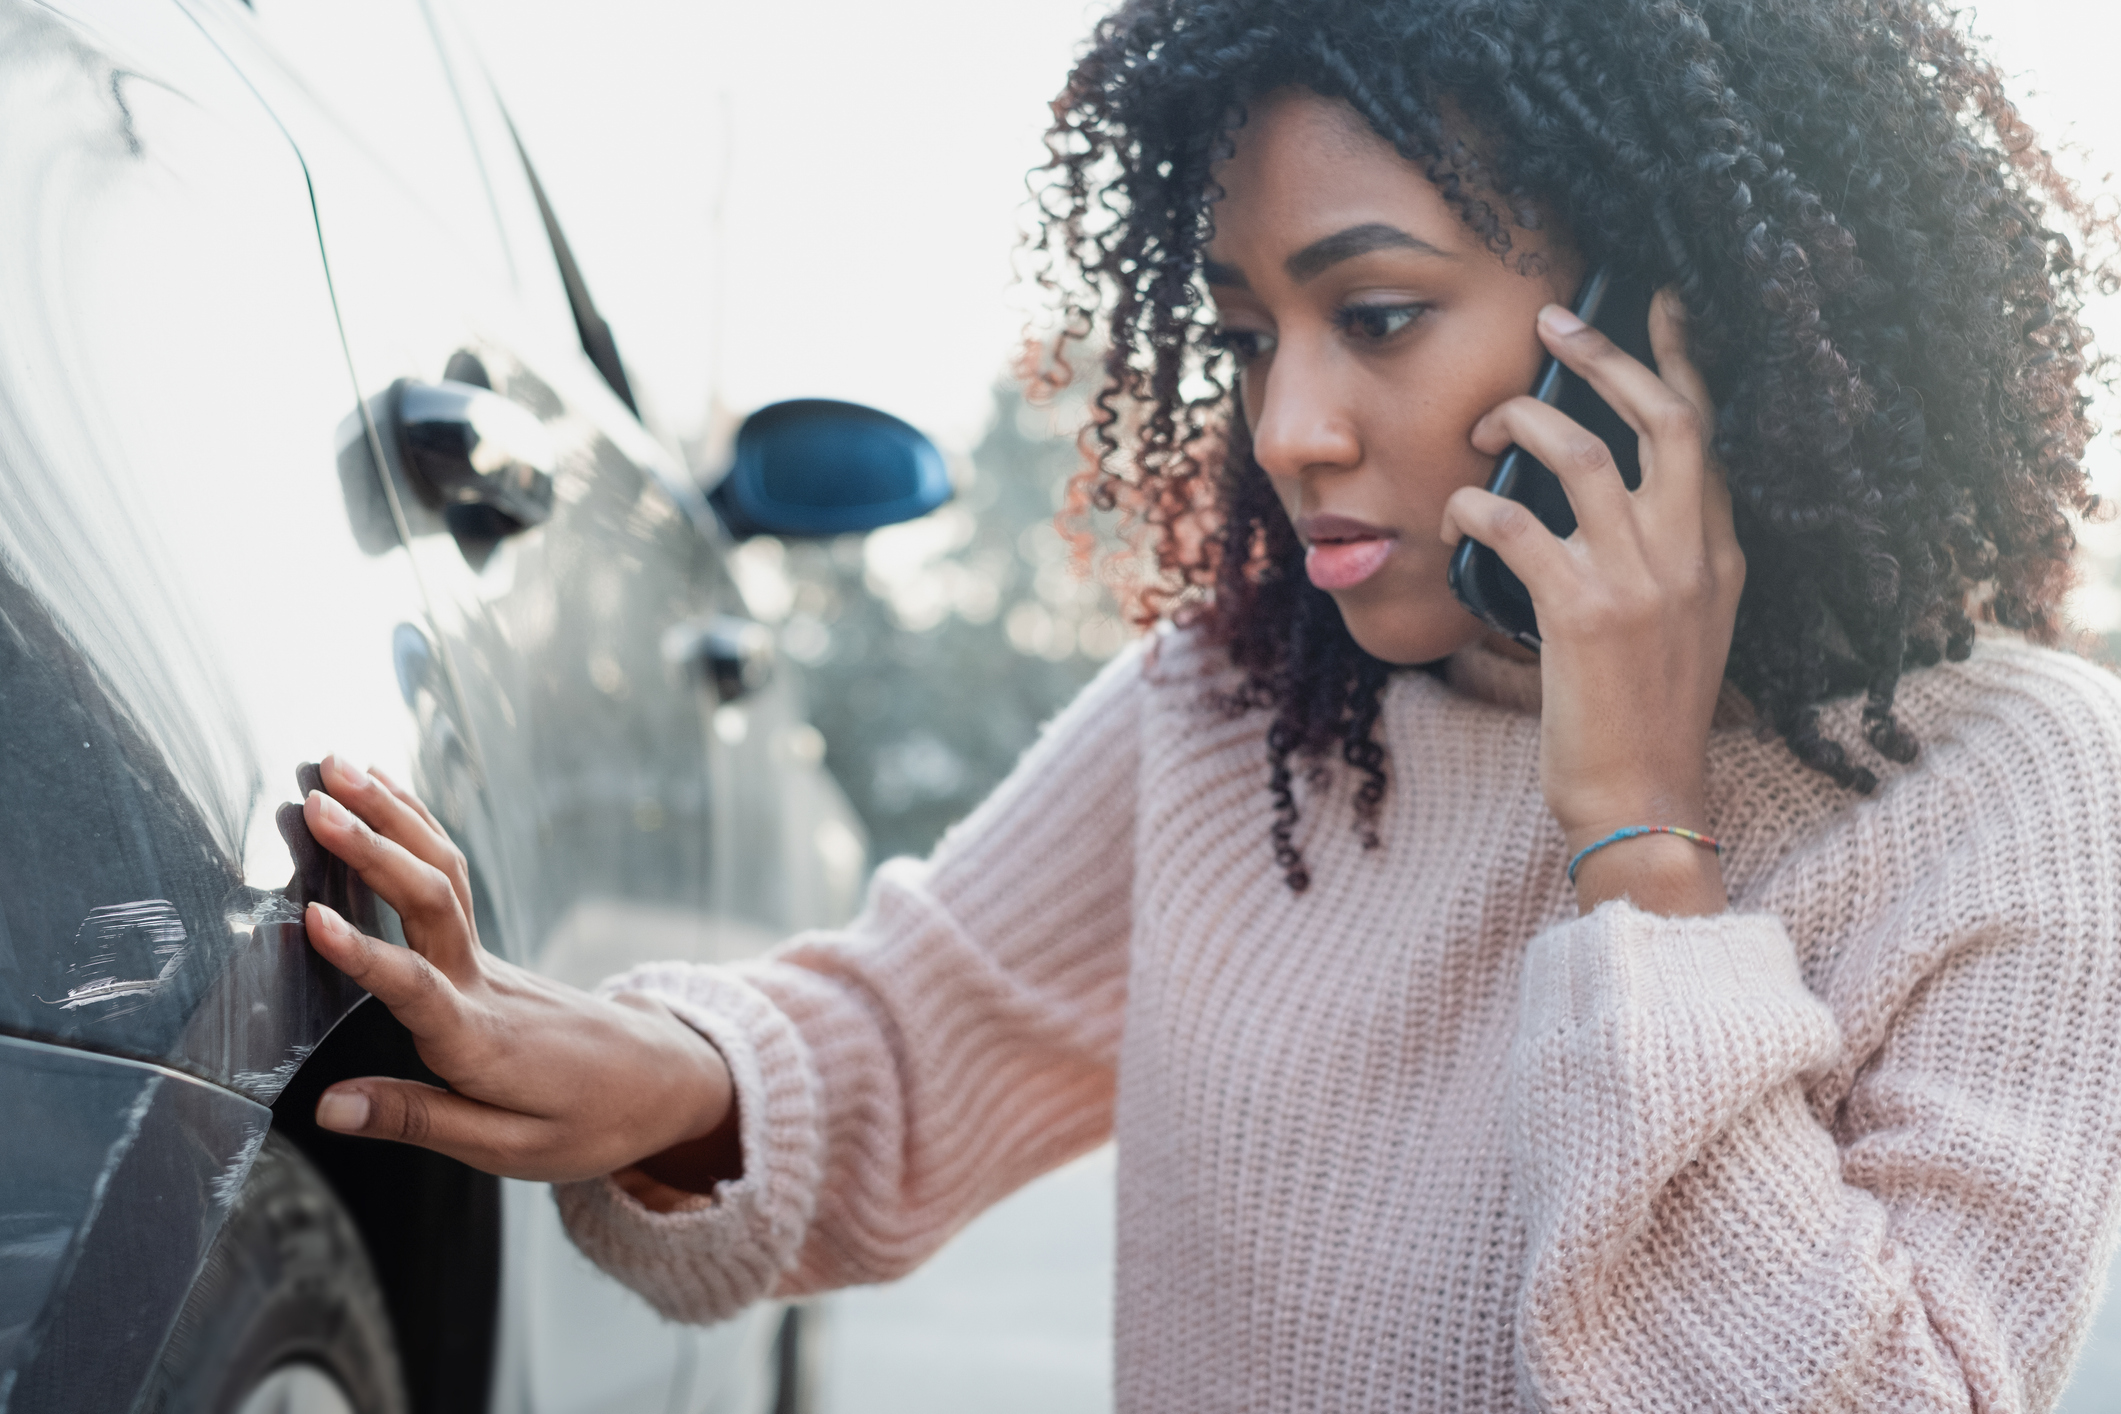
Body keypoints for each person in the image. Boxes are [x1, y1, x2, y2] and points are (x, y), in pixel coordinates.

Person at [295, 0, 2121, 1407]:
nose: (1287, 426)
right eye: (1249, 335)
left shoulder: (2000, 784)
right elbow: (904, 1045)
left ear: (1679, 328)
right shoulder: (1244, 705)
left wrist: (1639, 841)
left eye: (1380, 316)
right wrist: (623, 1072)